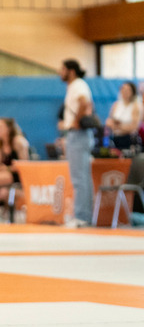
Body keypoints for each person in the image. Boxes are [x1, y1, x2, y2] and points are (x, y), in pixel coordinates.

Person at [58, 59, 95, 225]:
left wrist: (76, 122)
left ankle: (81, 216)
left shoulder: (78, 85)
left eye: (62, 69)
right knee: (83, 178)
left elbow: (85, 103)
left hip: (78, 134)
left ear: (71, 71)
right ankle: (85, 216)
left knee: (79, 178)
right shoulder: (75, 86)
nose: (60, 72)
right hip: (79, 135)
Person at [106, 81, 142, 152]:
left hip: (129, 139)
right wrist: (116, 125)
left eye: (127, 90)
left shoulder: (136, 106)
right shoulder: (116, 105)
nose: (125, 92)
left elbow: (134, 127)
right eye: (123, 89)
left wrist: (118, 126)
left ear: (132, 92)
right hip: (115, 138)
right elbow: (109, 121)